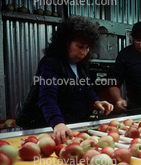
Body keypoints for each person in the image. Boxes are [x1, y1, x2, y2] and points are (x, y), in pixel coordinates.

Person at [17, 16, 113, 144]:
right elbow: (47, 97)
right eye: (80, 47)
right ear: (65, 42)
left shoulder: (81, 65)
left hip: (71, 129)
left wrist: (96, 102)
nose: (84, 52)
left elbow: (87, 89)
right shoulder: (51, 63)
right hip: (48, 130)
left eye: (87, 48)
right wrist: (57, 123)